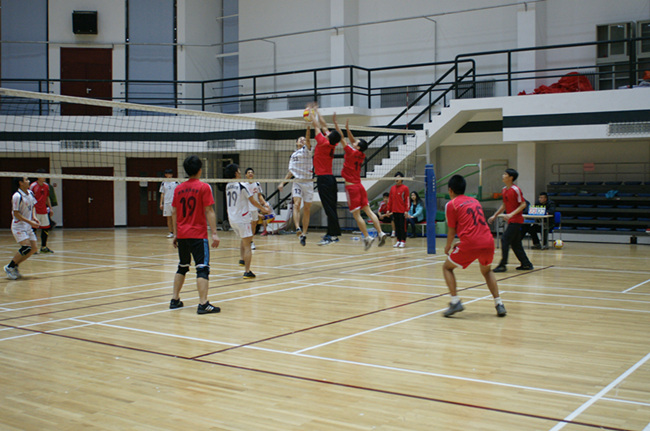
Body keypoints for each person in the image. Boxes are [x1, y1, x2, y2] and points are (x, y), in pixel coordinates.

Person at [442, 174, 507, 317]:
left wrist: (448, 246)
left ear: (450, 190)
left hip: (471, 243)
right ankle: (499, 303)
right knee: (487, 271)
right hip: (487, 240)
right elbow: (474, 226)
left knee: (447, 267)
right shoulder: (474, 201)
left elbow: (452, 230)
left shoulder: (451, 204)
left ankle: (455, 301)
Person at [169, 156, 221, 314]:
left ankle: (175, 299)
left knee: (182, 266)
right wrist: (215, 233)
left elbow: (174, 212)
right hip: (198, 235)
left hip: (182, 234)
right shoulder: (204, 187)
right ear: (200, 170)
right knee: (202, 269)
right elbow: (209, 211)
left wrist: (175, 233)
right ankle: (203, 304)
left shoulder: (178, 189)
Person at [333, 115, 388, 251]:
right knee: (368, 211)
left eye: (356, 142)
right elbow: (353, 141)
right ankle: (381, 232)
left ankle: (367, 237)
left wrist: (337, 125)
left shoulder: (350, 152)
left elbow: (341, 138)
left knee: (357, 215)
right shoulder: (361, 154)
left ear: (357, 146)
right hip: (360, 186)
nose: (354, 142)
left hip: (352, 188)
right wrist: (348, 129)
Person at [224, 163, 271, 279]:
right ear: (236, 173)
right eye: (239, 171)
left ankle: (242, 260)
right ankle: (247, 271)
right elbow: (253, 201)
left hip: (232, 219)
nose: (240, 172)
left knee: (244, 240)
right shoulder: (241, 186)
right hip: (242, 219)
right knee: (248, 244)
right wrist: (263, 209)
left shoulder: (228, 186)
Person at [487, 168, 533, 272]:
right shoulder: (504, 189)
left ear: (511, 177)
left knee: (505, 239)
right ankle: (526, 264)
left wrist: (511, 214)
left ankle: (503, 265)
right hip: (511, 220)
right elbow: (504, 205)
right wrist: (495, 215)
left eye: (505, 174)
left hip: (517, 220)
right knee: (515, 243)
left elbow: (523, 204)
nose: (503, 176)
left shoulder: (516, 189)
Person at [310, 104, 342, 246]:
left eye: (328, 133)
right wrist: (317, 111)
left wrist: (311, 114)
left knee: (329, 208)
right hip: (330, 179)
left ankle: (332, 236)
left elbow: (317, 126)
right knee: (331, 208)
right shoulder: (332, 143)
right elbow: (323, 125)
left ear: (329, 137)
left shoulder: (323, 142)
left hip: (324, 179)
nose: (327, 132)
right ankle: (332, 233)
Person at [278, 124, 313, 247]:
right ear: (296, 142)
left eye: (304, 139)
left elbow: (308, 140)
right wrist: (282, 183)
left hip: (308, 182)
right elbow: (290, 172)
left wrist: (308, 129)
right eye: (300, 139)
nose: (302, 140)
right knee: (296, 204)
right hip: (297, 181)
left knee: (307, 208)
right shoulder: (293, 155)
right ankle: (298, 228)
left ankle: (304, 234)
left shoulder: (307, 150)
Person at [4, 177, 40, 280]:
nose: (28, 181)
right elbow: (16, 214)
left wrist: (34, 217)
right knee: (26, 247)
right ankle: (9, 267)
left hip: (27, 225)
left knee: (33, 249)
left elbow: (33, 206)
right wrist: (30, 222)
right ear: (21, 183)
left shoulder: (30, 193)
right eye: (26, 180)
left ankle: (15, 266)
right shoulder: (17, 196)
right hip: (19, 226)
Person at [29, 169, 55, 253]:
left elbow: (47, 197)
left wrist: (50, 208)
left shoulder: (46, 186)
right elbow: (30, 198)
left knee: (45, 228)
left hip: (44, 211)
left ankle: (43, 247)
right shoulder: (33, 186)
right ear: (38, 176)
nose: (45, 177)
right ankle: (33, 248)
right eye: (43, 175)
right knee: (33, 229)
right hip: (35, 211)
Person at [244, 167, 265, 251]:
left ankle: (251, 240)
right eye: (248, 172)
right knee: (248, 225)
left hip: (255, 208)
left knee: (254, 225)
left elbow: (259, 195)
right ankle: (248, 241)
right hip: (246, 208)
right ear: (246, 175)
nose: (250, 173)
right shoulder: (243, 184)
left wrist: (265, 203)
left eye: (251, 172)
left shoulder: (257, 184)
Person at [388, 172, 409, 248]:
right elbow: (390, 199)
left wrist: (406, 210)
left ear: (402, 179)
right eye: (396, 177)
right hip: (394, 210)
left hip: (402, 211)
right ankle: (398, 240)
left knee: (402, 227)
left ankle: (403, 241)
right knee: (396, 226)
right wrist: (388, 209)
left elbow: (407, 200)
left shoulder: (405, 188)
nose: (397, 179)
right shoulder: (392, 188)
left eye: (399, 177)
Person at [159, 168, 179, 238]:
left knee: (175, 218)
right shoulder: (163, 183)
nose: (169, 175)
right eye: (168, 174)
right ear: (165, 175)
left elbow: (179, 192)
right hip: (166, 202)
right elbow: (162, 193)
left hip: (174, 202)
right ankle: (171, 232)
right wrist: (161, 203)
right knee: (168, 218)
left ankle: (176, 232)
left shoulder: (176, 182)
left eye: (170, 174)